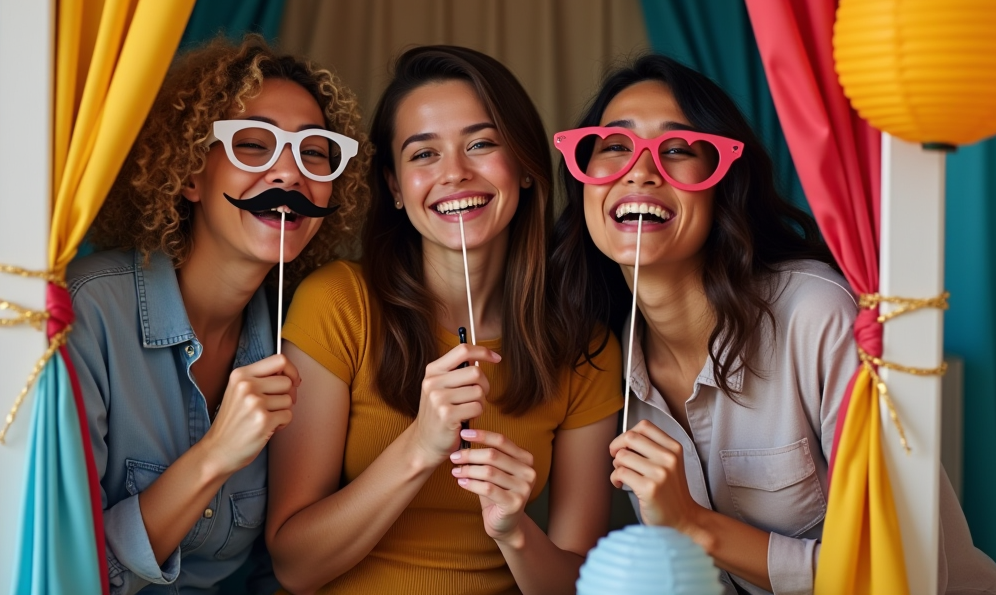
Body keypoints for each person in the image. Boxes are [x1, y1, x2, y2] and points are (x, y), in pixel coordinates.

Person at [550, 53, 996, 595]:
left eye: (677, 149)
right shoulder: (599, 357)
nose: (642, 170)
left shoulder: (816, 314)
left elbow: (906, 574)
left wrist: (694, 524)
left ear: (725, 182)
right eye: (614, 147)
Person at [265, 46, 623, 595]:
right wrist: (420, 447)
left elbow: (579, 585)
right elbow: (295, 566)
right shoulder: (339, 303)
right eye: (423, 154)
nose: (454, 173)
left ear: (525, 166)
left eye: (480, 144)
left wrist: (514, 532)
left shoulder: (583, 345)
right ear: (393, 186)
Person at [68, 35, 369, 594]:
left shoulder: (297, 338)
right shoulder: (89, 311)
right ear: (188, 174)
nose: (289, 175)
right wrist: (217, 454)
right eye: (253, 145)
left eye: (315, 152)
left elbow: (268, 568)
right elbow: (64, 566)